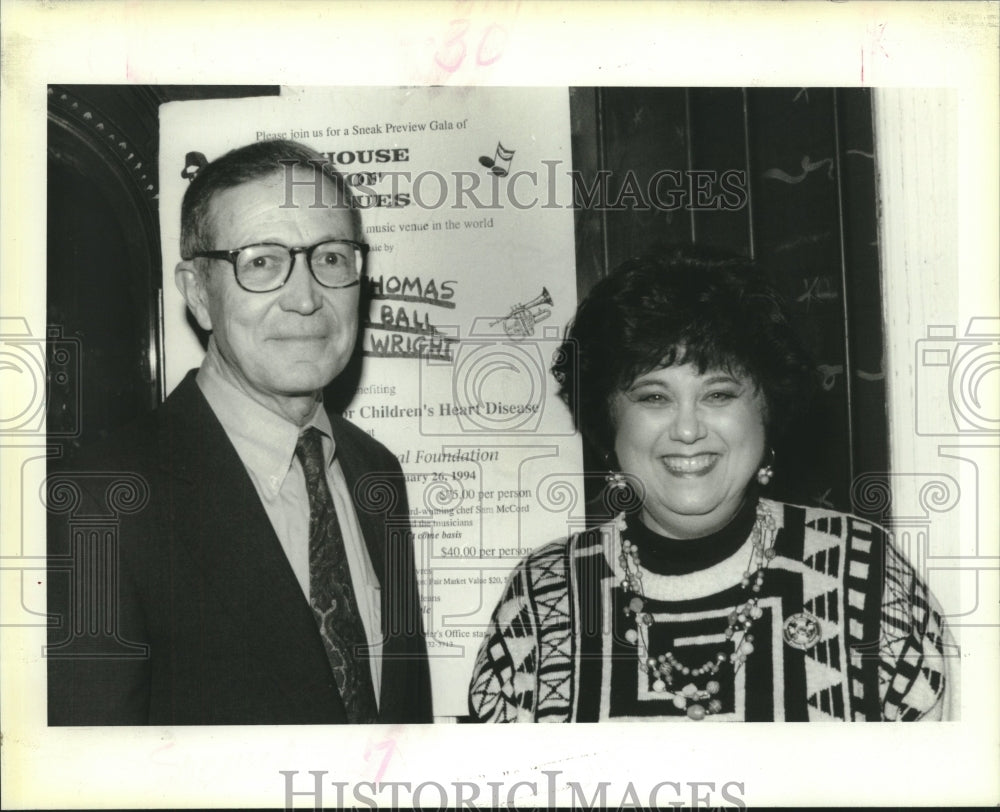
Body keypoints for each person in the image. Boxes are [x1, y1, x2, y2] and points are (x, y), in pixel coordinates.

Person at [468, 246, 955, 722]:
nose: (687, 429)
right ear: (608, 421)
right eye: (654, 396)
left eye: (718, 394)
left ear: (767, 412)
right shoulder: (543, 596)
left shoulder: (863, 573)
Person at [47, 140, 432, 725]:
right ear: (199, 293)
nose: (306, 298)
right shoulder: (101, 500)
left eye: (330, 258)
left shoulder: (375, 471)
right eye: (260, 261)